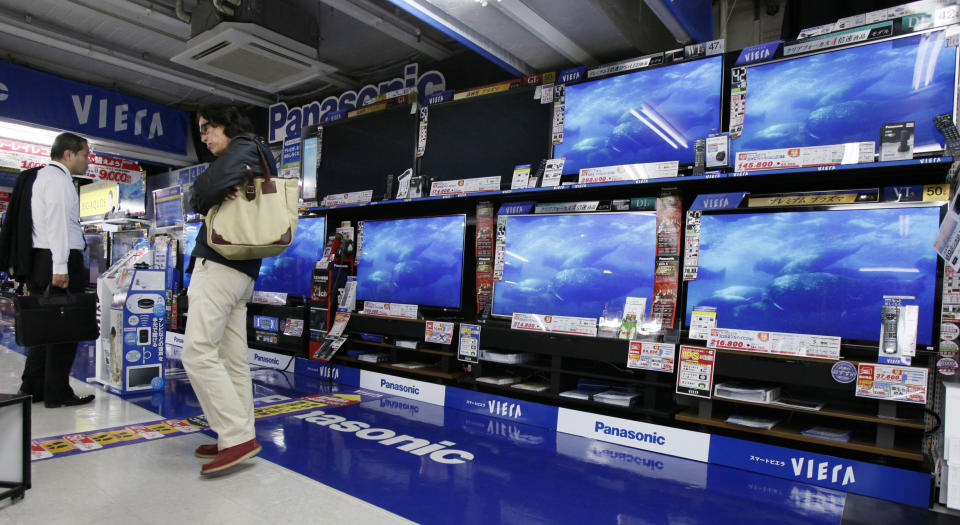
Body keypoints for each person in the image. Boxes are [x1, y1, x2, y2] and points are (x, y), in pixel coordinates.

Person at [183, 106, 276, 475]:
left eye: (207, 128)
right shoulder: (258, 152)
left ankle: (236, 437)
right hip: (241, 269)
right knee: (232, 358)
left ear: (227, 125)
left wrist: (203, 195)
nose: (204, 138)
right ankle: (236, 436)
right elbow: (210, 190)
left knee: (197, 352)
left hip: (220, 264)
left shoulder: (243, 148)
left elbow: (201, 191)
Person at [17, 132, 95, 408]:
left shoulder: (43, 178)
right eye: (85, 154)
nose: (88, 160)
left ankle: (34, 387)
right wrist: (60, 267)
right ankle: (57, 392)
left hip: (43, 259)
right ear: (68, 154)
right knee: (65, 329)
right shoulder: (59, 181)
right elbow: (58, 225)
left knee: (44, 328)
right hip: (57, 260)